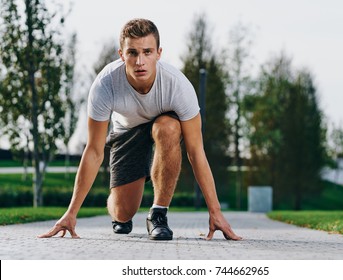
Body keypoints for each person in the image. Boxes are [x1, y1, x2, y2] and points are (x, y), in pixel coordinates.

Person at [38, 18, 242, 241]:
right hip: (127, 132)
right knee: (123, 212)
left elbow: (196, 152)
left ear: (158, 53)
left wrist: (216, 211)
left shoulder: (178, 86)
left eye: (147, 52)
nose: (140, 61)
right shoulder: (106, 84)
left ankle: (158, 214)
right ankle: (118, 209)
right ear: (121, 54)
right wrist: (71, 213)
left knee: (168, 127)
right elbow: (94, 151)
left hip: (163, 124)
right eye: (133, 53)